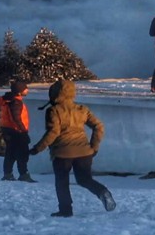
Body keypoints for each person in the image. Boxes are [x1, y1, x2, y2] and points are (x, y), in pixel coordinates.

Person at [30, 80, 114, 218]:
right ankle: (102, 192)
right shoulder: (82, 109)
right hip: (84, 151)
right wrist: (94, 146)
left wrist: (37, 148)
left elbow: (53, 132)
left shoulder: (53, 110)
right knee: (84, 179)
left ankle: (65, 210)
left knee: (62, 181)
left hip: (63, 153)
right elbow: (99, 126)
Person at [0, 80, 36, 182]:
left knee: (10, 153)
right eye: (25, 88)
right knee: (22, 154)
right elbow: (16, 118)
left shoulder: (8, 101)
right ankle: (23, 174)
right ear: (20, 91)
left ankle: (8, 174)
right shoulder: (16, 102)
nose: (27, 90)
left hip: (8, 131)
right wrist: (23, 131)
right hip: (17, 131)